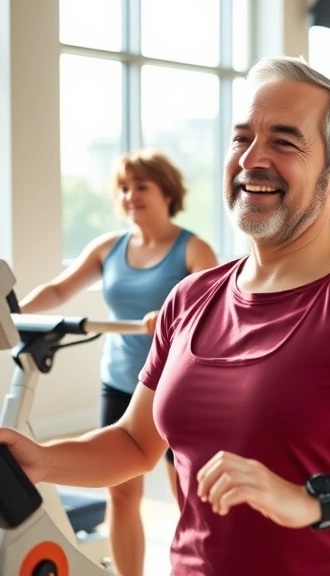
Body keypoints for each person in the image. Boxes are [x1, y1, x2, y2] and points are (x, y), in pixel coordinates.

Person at [0, 56, 330, 576]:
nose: (252, 159)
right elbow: (134, 444)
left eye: (284, 141)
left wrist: (313, 500)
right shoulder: (191, 297)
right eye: (241, 139)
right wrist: (44, 460)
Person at [17, 149, 218, 576]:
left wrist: (171, 313)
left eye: (140, 186)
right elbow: (57, 291)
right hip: (123, 384)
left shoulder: (193, 249)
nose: (130, 196)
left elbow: (216, 309)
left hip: (179, 387)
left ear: (166, 191)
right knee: (122, 495)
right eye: (124, 188)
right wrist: (14, 317)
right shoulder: (110, 247)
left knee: (187, 496)